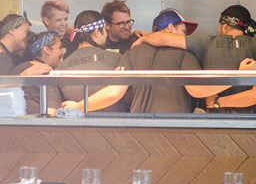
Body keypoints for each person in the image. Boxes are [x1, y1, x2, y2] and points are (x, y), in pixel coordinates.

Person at [134, 4, 256, 114]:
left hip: (214, 127)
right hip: (250, 127)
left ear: (223, 25)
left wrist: (143, 39)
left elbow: (163, 38)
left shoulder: (204, 42)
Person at [62, 8, 204, 114]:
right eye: (184, 32)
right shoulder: (186, 53)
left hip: (138, 130)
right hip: (175, 129)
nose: (186, 38)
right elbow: (197, 89)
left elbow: (114, 92)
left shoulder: (131, 53)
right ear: (171, 28)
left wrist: (78, 107)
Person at [57, 10, 131, 112]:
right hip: (113, 125)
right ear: (97, 33)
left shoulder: (60, 68)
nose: (106, 36)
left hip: (76, 126)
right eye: (105, 31)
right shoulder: (119, 59)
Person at [11, 31, 65, 116]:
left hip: (11, 125)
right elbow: (52, 112)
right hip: (37, 126)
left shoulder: (16, 69)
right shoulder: (46, 73)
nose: (62, 52)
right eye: (60, 48)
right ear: (46, 50)